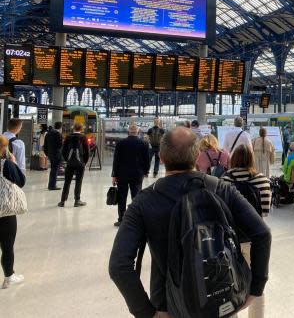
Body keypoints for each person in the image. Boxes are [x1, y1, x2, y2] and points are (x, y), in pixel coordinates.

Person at [109, 127, 272, 317]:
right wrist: (256, 288)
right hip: (221, 299)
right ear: (197, 157)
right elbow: (262, 233)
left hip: (169, 305)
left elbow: (119, 265)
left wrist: (147, 313)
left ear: (161, 157)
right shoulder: (223, 189)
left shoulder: (143, 202)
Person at [221, 144, 271, 318]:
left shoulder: (225, 180)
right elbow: (265, 211)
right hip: (254, 240)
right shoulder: (262, 180)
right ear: (252, 159)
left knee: (229, 285)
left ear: (233, 159)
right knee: (256, 285)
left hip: (229, 241)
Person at [0, 135, 26, 289]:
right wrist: (14, 163)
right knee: (7, 246)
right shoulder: (7, 164)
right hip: (5, 211)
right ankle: (9, 277)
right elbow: (21, 181)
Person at [111, 124, 150, 227]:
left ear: (128, 131)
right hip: (137, 174)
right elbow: (147, 160)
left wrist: (114, 175)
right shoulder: (143, 143)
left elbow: (116, 160)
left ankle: (121, 219)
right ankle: (136, 220)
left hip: (122, 174)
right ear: (138, 131)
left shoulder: (121, 143)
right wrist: (146, 171)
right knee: (136, 197)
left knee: (121, 197)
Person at [58, 123, 89, 208]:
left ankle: (62, 201)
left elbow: (63, 150)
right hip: (80, 164)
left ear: (73, 128)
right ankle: (77, 201)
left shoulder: (68, 137)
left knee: (67, 182)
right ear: (81, 129)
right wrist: (84, 163)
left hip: (70, 163)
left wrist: (67, 160)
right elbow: (87, 152)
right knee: (78, 181)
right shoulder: (83, 137)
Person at [43, 121, 63, 191]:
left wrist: (47, 154)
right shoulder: (58, 134)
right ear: (60, 127)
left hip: (50, 154)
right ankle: (52, 185)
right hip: (56, 155)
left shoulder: (48, 134)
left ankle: (51, 184)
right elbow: (60, 145)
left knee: (52, 169)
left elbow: (45, 145)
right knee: (55, 170)